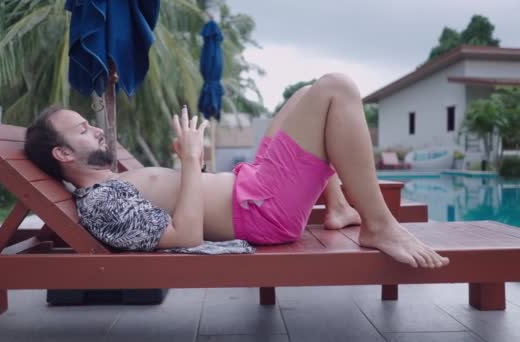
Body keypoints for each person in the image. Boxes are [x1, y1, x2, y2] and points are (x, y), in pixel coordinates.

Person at [24, 73, 449, 268]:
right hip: (263, 211)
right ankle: (379, 225)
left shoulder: (110, 185)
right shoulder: (100, 204)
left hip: (255, 188)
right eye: (83, 129)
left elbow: (184, 201)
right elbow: (185, 236)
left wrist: (190, 165)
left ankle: (338, 206)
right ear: (62, 155)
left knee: (307, 93)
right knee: (337, 89)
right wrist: (190, 161)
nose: (97, 129)